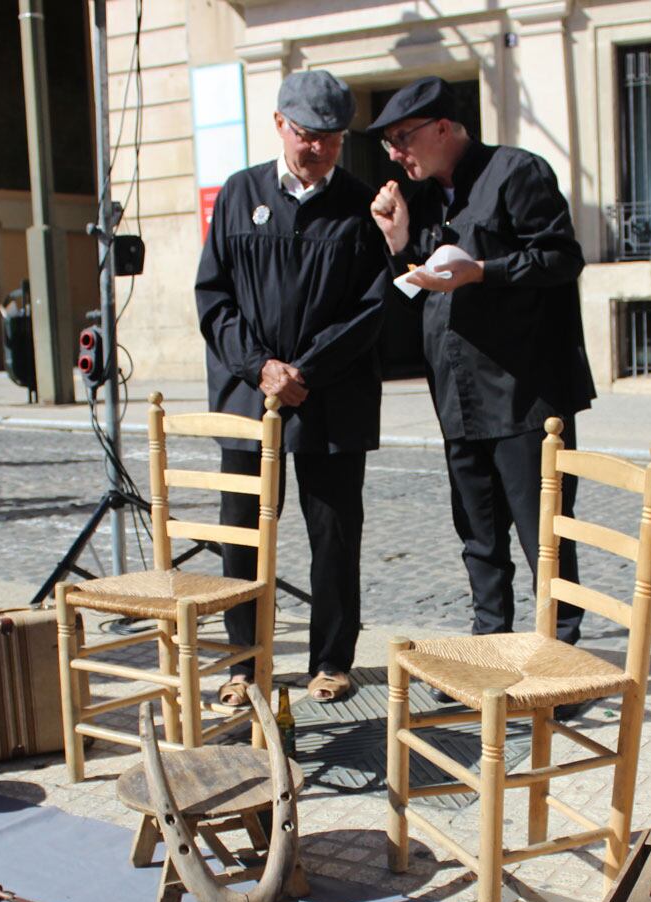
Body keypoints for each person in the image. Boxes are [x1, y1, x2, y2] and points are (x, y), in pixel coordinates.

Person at [368, 76, 594, 651]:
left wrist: (486, 271)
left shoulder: (518, 172)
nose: (396, 153)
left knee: (544, 535)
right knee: (478, 536)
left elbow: (562, 257)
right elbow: (427, 286)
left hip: (524, 397)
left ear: (444, 127)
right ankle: (488, 647)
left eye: (403, 138)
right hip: (459, 398)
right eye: (389, 143)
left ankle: (560, 659)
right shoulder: (424, 201)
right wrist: (400, 245)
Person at [194, 69, 386, 707]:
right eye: (307, 136)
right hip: (253, 397)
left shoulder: (360, 207)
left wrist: (308, 369)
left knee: (333, 533)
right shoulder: (238, 194)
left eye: (331, 139)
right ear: (279, 124)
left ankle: (332, 659)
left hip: (330, 400)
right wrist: (260, 367)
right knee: (241, 531)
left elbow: (371, 304)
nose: (319, 150)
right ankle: (243, 663)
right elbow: (214, 297)